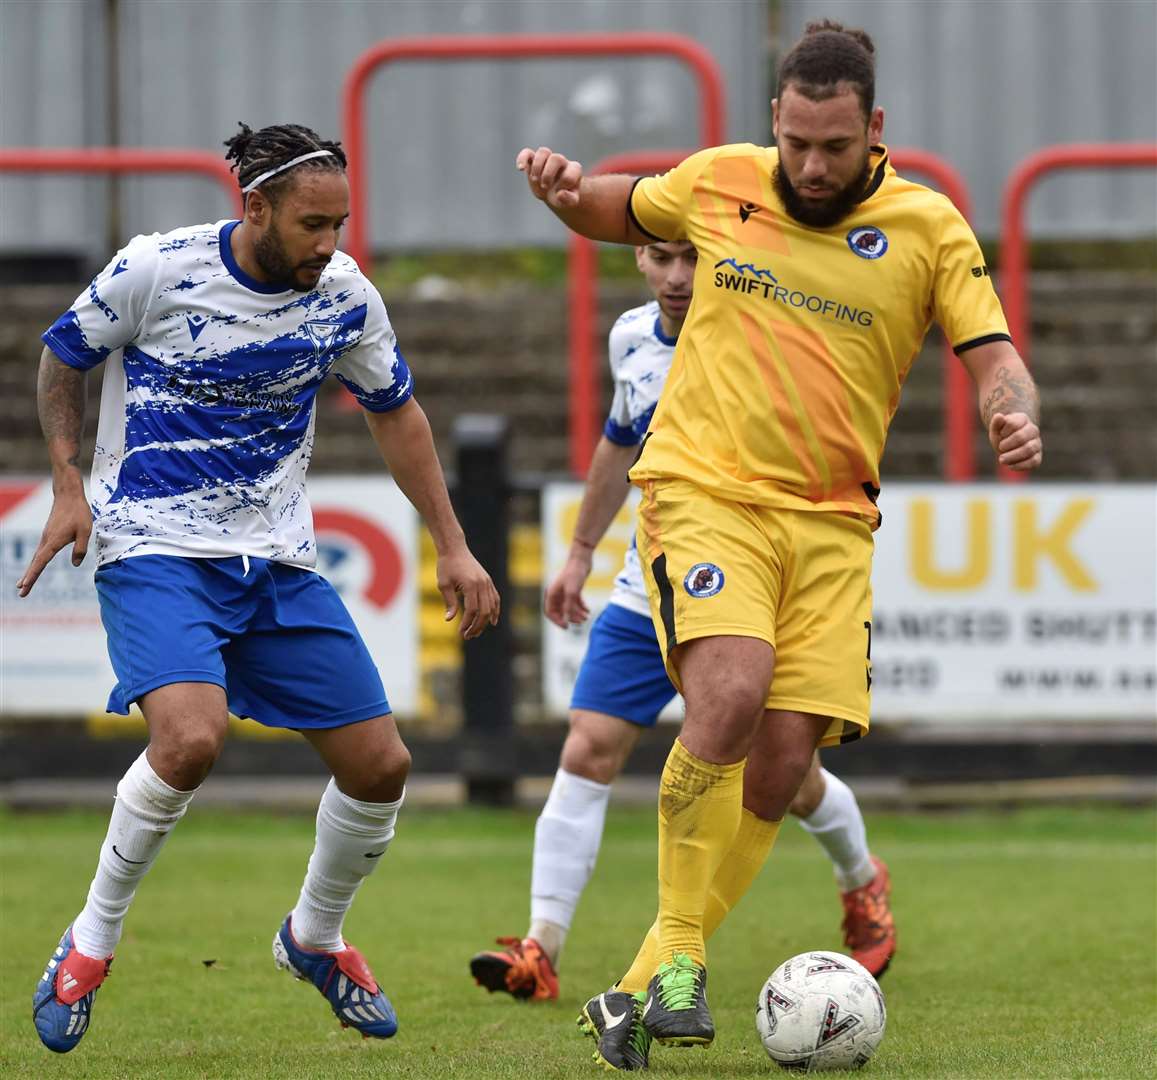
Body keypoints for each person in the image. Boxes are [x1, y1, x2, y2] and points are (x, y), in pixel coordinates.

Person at [515, 20, 1042, 1071]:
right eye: (796, 142)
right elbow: (607, 207)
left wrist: (1010, 410)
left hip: (833, 523)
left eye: (833, 147)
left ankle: (630, 991)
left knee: (781, 763)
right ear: (774, 122)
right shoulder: (717, 182)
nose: (809, 165)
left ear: (873, 130)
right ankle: (675, 968)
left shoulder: (926, 229)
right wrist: (561, 186)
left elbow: (992, 354)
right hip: (704, 491)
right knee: (727, 695)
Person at [20, 122, 500, 1055]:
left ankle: (314, 938)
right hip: (153, 548)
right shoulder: (154, 269)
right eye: (313, 224)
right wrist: (69, 483)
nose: (330, 244)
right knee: (191, 738)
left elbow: (396, 413)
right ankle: (90, 941)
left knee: (382, 767)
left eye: (341, 223)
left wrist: (453, 544)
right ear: (256, 208)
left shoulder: (347, 296)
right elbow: (62, 356)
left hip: (274, 561)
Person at [467, 240, 895, 1007]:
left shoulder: (765, 334)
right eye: (661, 257)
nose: (676, 278)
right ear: (637, 255)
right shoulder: (631, 336)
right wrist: (577, 551)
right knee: (587, 747)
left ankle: (862, 881)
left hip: (743, 593)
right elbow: (619, 438)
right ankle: (542, 946)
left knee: (791, 779)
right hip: (645, 589)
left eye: (693, 260)